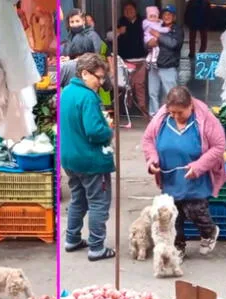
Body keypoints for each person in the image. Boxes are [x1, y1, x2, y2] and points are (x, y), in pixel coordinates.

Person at [142, 86, 226, 262]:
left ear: (190, 106)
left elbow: (219, 146)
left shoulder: (205, 119)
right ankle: (178, 247)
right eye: (172, 112)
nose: (175, 116)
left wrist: (199, 166)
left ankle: (209, 231)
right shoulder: (162, 117)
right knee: (173, 216)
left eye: (180, 112)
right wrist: (152, 160)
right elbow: (148, 140)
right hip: (170, 177)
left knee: (197, 211)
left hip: (196, 177)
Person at [60, 53, 115, 262]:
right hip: (90, 160)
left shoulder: (67, 92)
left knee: (78, 199)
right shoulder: (88, 97)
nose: (101, 83)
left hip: (70, 158)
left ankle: (72, 238)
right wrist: (108, 129)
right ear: (84, 73)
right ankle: (96, 246)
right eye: (98, 77)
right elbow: (94, 131)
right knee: (99, 202)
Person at [147, 5, 184, 116]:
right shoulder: (156, 26)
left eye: (170, 14)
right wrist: (148, 44)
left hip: (168, 66)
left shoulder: (177, 30)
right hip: (154, 66)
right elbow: (146, 44)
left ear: (174, 17)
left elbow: (173, 44)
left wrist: (159, 36)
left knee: (171, 94)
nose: (167, 16)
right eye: (165, 14)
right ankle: (154, 116)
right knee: (152, 93)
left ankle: (171, 116)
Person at [116, 2, 149, 116]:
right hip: (125, 61)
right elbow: (109, 36)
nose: (128, 11)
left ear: (136, 10)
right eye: (126, 9)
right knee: (126, 86)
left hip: (141, 59)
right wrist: (119, 32)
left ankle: (142, 107)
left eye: (131, 9)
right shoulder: (120, 22)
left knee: (139, 85)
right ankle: (127, 108)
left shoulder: (144, 22)